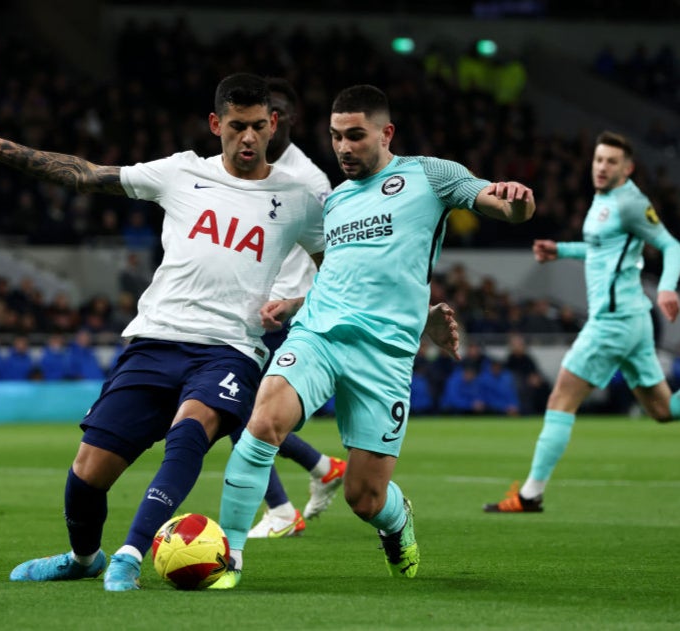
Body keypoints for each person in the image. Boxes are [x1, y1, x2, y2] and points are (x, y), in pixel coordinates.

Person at [0, 73, 327, 592]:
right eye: (237, 126)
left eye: (259, 126)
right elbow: (85, 175)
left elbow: (340, 272)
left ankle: (130, 553)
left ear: (273, 123)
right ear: (216, 125)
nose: (249, 138)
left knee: (191, 432)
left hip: (231, 349)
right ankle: (84, 558)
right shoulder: (180, 172)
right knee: (87, 471)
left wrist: (300, 302)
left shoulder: (299, 198)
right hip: (155, 339)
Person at [213, 84, 534, 589]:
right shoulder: (336, 201)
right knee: (264, 422)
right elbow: (344, 273)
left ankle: (397, 521)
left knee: (365, 498)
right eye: (337, 136)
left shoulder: (430, 175)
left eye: (356, 136)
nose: (343, 147)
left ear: (386, 133)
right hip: (320, 335)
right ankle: (227, 556)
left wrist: (517, 202)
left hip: (384, 356)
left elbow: (497, 202)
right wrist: (298, 305)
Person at [484, 131, 680, 513]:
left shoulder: (631, 202)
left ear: (628, 168)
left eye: (611, 161)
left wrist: (668, 288)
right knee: (661, 410)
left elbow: (672, 245)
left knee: (560, 399)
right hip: (631, 320)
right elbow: (601, 249)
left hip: (614, 321)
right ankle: (530, 494)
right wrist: (562, 250)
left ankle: (530, 494)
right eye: (598, 160)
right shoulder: (603, 200)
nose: (602, 167)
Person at [242, 78, 346, 540]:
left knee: (241, 409)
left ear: (287, 120)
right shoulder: (250, 169)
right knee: (242, 409)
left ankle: (284, 509)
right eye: (268, 113)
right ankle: (321, 468)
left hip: (282, 312)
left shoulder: (307, 180)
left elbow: (331, 252)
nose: (271, 123)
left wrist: (299, 304)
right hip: (252, 306)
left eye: (279, 114)